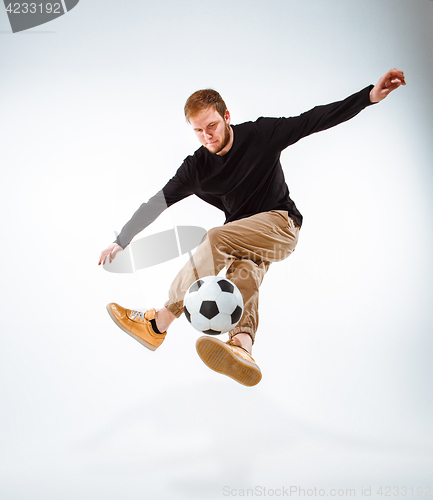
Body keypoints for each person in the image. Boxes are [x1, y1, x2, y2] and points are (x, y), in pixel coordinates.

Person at [98, 68, 406, 387]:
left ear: (227, 116)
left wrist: (369, 96)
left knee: (217, 238)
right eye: (199, 131)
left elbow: (312, 119)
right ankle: (243, 346)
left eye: (213, 126)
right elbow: (157, 202)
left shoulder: (260, 135)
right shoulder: (196, 168)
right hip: (245, 238)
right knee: (242, 273)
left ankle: (159, 321)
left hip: (281, 225)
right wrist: (122, 240)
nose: (208, 136)